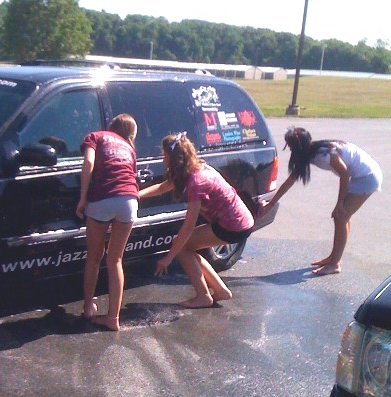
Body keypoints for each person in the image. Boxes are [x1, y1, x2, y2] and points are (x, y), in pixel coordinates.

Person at [139, 132, 254, 308]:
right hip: (239, 221)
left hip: (233, 226)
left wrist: (168, 258)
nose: (163, 160)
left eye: (165, 156)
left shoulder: (196, 182)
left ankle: (203, 296)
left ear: (174, 159)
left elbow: (188, 226)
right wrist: (138, 195)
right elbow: (165, 186)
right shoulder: (196, 167)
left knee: (183, 246)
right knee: (188, 246)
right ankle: (220, 290)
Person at [261, 126, 383, 276]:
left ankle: (335, 264)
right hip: (360, 176)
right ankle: (334, 257)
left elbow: (344, 174)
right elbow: (290, 181)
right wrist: (272, 203)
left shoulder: (324, 154)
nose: (290, 150)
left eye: (291, 146)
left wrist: (339, 203)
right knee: (342, 218)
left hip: (367, 177)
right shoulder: (311, 151)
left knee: (341, 216)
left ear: (296, 147)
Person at [76, 114, 139, 331]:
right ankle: (113, 318)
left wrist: (83, 197)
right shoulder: (129, 148)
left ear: (110, 127)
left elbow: (88, 163)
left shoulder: (95, 136)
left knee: (94, 259)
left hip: (103, 197)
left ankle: (88, 307)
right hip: (129, 200)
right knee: (115, 260)